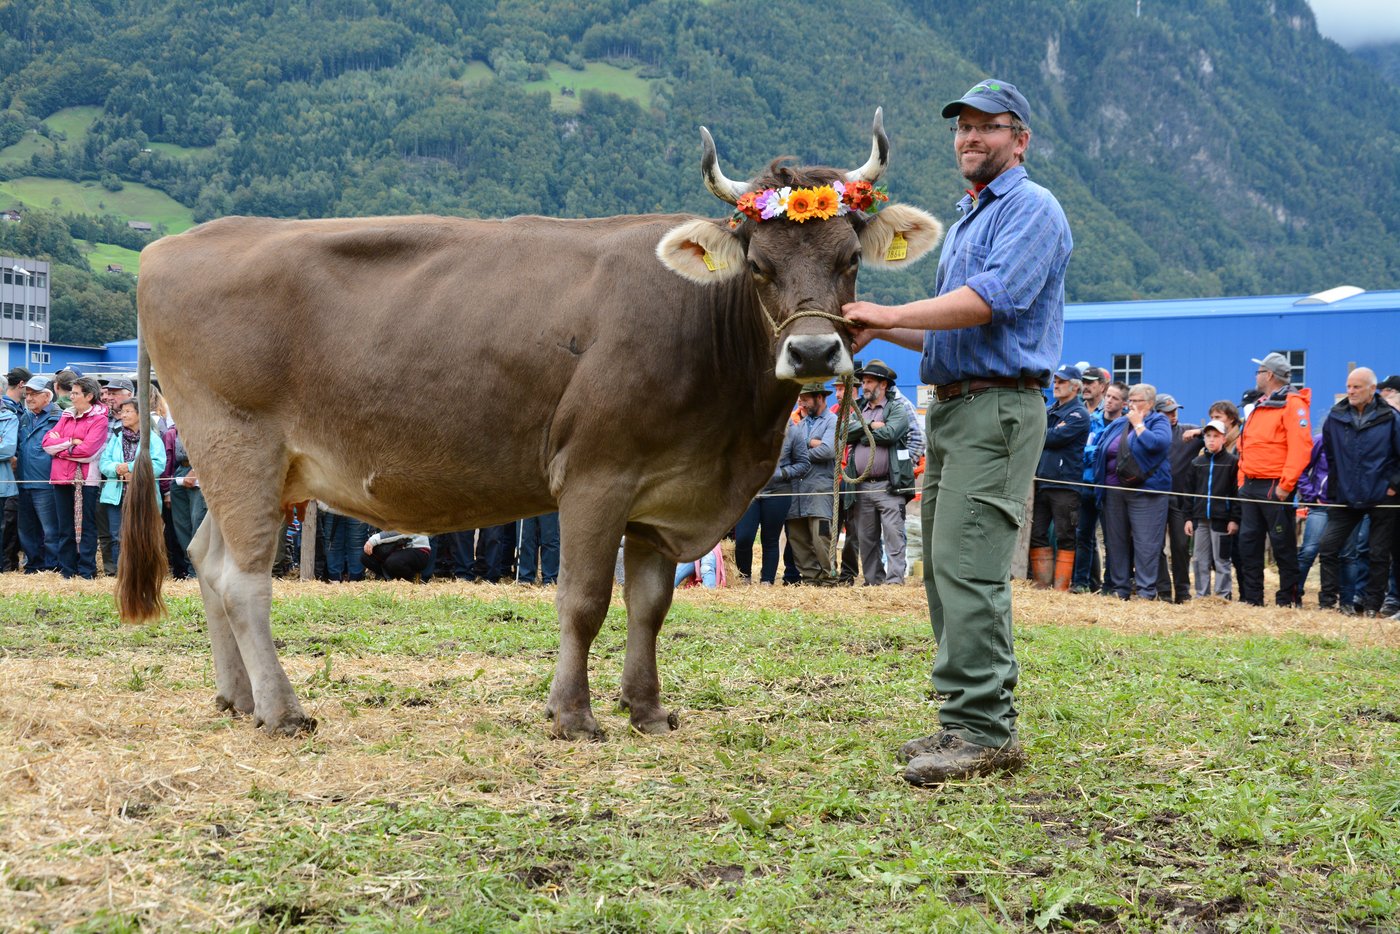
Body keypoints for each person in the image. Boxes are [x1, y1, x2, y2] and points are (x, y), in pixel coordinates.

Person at [843, 78, 1072, 783]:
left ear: (1020, 138)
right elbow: (946, 336)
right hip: (955, 403)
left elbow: (985, 304)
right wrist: (866, 325)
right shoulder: (971, 218)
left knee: (970, 566)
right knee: (945, 568)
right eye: (962, 128)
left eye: (988, 127)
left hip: (998, 410)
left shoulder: (1031, 210)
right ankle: (963, 717)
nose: (970, 138)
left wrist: (887, 311)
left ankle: (984, 733)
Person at [1317, 368, 1400, 616]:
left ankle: (1372, 605)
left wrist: (1394, 485)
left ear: (1372, 389)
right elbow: (1330, 455)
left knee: (1377, 553)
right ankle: (1330, 602)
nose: (1351, 392)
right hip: (1346, 494)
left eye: (1357, 387)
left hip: (1383, 495)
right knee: (1328, 546)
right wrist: (1334, 487)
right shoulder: (1336, 416)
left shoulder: (1391, 417)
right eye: (1349, 386)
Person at [1236, 352, 1312, 607]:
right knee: (1248, 544)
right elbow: (1245, 444)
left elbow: (1301, 448)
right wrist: (1242, 481)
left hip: (1274, 486)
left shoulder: (1293, 404)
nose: (1256, 376)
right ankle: (1253, 598)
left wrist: (1285, 486)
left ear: (1269, 374)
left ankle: (1288, 600)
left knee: (1282, 545)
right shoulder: (1262, 403)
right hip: (1251, 484)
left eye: (1259, 372)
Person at [1093, 383, 1173, 600]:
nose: (1131, 404)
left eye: (1136, 401)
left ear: (1149, 403)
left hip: (1146, 492)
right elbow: (1100, 448)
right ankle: (1120, 590)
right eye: (1130, 400)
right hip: (1113, 491)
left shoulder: (1159, 421)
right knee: (1116, 541)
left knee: (1146, 543)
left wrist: (1139, 425)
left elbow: (1158, 444)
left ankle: (1146, 592)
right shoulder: (1119, 423)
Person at [842, 359, 911, 586]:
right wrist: (871, 427)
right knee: (867, 539)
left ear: (883, 385)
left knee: (894, 536)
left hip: (889, 486)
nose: (864, 386)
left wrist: (860, 433)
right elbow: (844, 434)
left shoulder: (897, 408)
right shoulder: (859, 410)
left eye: (869, 382)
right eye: (863, 382)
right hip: (861, 487)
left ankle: (893, 584)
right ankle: (873, 582)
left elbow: (892, 433)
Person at [41, 376, 109, 579]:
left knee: (87, 525)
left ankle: (87, 571)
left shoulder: (99, 419)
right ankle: (67, 571)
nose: (71, 396)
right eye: (71, 392)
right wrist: (71, 441)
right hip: (61, 478)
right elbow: (46, 444)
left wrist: (60, 449)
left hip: (86, 480)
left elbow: (88, 452)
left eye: (76, 393)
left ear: (89, 396)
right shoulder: (66, 415)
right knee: (65, 527)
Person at [1029, 364, 1089, 590]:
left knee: (1065, 534)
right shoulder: (1053, 410)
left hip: (1065, 483)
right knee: (1037, 532)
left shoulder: (1078, 414)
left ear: (1074, 387)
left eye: (1061, 381)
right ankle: (1043, 584)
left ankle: (1061, 587)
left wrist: (1044, 431)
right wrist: (1046, 431)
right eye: (1055, 381)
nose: (1056, 385)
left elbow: (1048, 438)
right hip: (1043, 480)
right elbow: (1041, 433)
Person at [735, 419, 809, 584]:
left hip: (778, 492)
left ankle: (767, 581)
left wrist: (782, 473)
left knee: (770, 539)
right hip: (750, 493)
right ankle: (743, 577)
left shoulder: (794, 431)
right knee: (743, 538)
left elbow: (804, 464)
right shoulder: (748, 428)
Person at [97, 398, 167, 565]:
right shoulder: (117, 436)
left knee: (144, 534)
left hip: (142, 495)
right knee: (117, 536)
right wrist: (118, 469)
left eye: (128, 411)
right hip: (117, 495)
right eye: (122, 411)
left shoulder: (152, 438)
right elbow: (104, 463)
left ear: (140, 414)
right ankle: (118, 571)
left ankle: (143, 570)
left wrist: (130, 468)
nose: (124, 415)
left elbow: (158, 464)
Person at [1072, 380, 1125, 593]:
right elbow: (1082, 452)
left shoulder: (1124, 425)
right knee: (1083, 535)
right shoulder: (1091, 420)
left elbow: (1119, 456)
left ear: (1124, 403)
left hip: (1109, 488)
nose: (1109, 401)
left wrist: (1096, 451)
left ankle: (1110, 584)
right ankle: (1081, 582)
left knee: (1112, 539)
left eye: (1115, 398)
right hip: (1086, 484)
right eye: (1108, 396)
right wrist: (1100, 452)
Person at [785, 382, 839, 584]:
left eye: (805, 398)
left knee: (821, 536)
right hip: (797, 490)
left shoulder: (833, 421)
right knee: (797, 537)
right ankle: (810, 578)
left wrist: (802, 452)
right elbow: (787, 451)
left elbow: (828, 450)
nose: (802, 403)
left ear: (820, 398)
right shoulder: (799, 424)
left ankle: (829, 577)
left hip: (819, 489)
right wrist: (812, 443)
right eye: (800, 399)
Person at [1184, 420, 1239, 598]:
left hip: (1221, 520)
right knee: (1200, 560)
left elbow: (1236, 494)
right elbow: (1188, 493)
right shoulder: (1196, 463)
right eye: (1208, 436)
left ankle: (1223, 595)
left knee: (1222, 559)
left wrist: (1234, 518)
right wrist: (1188, 518)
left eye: (1216, 436)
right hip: (1200, 519)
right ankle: (1202, 596)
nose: (1211, 440)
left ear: (1224, 439)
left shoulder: (1232, 463)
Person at [1154, 394, 1199, 604]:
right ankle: (1163, 591)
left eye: (1175, 411)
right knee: (1156, 546)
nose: (1173, 415)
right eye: (1167, 411)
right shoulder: (1152, 433)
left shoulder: (1188, 432)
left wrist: (1200, 431)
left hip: (1180, 499)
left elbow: (1220, 434)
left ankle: (1183, 592)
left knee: (1181, 546)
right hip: (1156, 498)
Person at [16, 377, 61, 573]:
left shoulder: (58, 417)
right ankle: (33, 565)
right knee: (26, 529)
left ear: (47, 395)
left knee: (50, 529)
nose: (29, 397)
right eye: (27, 394)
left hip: (46, 481)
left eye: (34, 394)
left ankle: (52, 566)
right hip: (24, 481)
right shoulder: (25, 417)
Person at [94, 377, 136, 576]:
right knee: (107, 529)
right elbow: (104, 456)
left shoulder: (143, 422)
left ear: (129, 394)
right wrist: (116, 469)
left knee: (130, 531)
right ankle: (112, 569)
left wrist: (128, 468)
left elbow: (155, 455)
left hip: (132, 483)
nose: (109, 397)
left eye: (115, 393)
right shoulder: (103, 418)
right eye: (108, 393)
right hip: (104, 478)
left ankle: (130, 569)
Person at [1, 366, 26, 572]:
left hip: (9, 478)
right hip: (9, 474)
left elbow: (7, 448)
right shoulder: (12, 412)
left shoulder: (10, 414)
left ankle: (7, 565)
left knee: (9, 524)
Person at [362, 530, 431, 581]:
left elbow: (400, 531)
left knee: (393, 561)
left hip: (419, 550)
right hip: (398, 548)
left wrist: (372, 540)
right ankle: (390, 579)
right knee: (366, 557)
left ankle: (412, 579)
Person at [516, 512, 561, 585]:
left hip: (548, 502)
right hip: (525, 502)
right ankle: (526, 578)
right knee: (525, 537)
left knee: (550, 537)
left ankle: (550, 579)